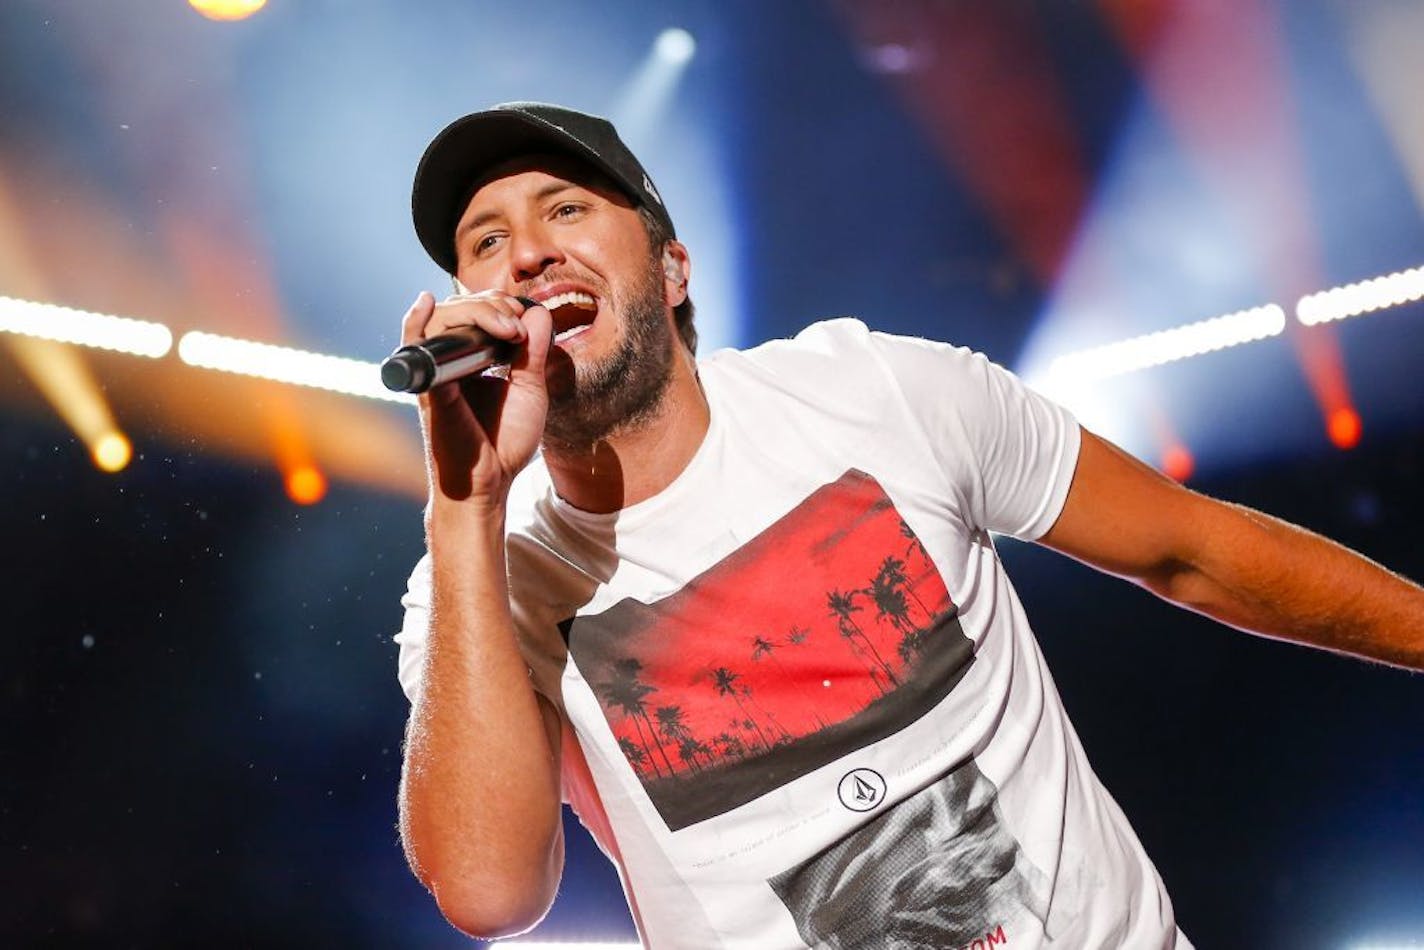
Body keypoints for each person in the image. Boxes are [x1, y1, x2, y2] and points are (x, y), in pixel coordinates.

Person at [392, 102, 1424, 948]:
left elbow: (1188, 546)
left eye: (563, 210)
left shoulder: (879, 392)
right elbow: (489, 892)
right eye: (486, 242)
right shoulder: (477, 578)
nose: (525, 254)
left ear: (669, 269)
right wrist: (465, 506)